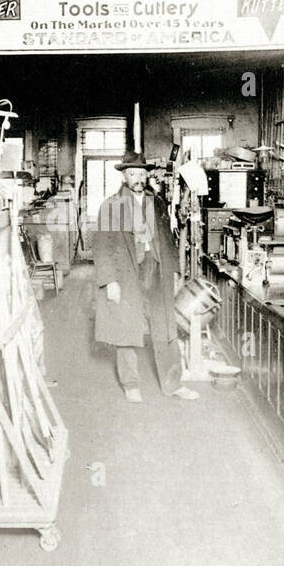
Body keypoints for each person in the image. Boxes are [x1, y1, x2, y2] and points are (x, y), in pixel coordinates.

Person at [94, 151, 199, 403]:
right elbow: (103, 246)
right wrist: (110, 281)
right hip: (126, 273)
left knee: (165, 326)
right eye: (132, 174)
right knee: (126, 328)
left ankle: (173, 384)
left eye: (142, 173)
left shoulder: (158, 203)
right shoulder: (111, 206)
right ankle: (130, 384)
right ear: (124, 176)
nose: (138, 178)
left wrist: (174, 272)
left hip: (156, 269)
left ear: (146, 175)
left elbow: (168, 241)